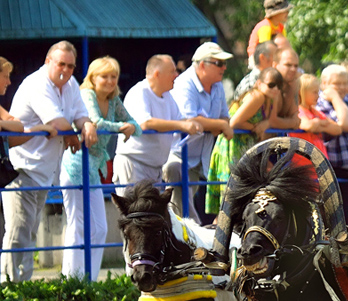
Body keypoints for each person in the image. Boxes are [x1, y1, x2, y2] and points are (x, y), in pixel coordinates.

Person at [3, 41, 98, 282]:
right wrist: (73, 132)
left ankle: (21, 287)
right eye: (60, 64)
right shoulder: (37, 83)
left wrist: (85, 124)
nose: (65, 70)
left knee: (28, 233)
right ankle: (9, 288)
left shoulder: (70, 84)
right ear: (48, 62)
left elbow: (79, 114)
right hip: (21, 168)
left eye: (70, 66)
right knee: (18, 233)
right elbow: (56, 122)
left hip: (43, 170)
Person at [59, 56, 141, 280]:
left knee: (100, 228)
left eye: (113, 76)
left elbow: (135, 124)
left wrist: (129, 126)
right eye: (104, 76)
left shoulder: (114, 100)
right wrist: (122, 127)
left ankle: (89, 280)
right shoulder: (86, 94)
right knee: (78, 226)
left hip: (94, 168)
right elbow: (95, 122)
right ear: (93, 78)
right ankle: (71, 279)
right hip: (76, 165)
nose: (110, 80)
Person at [162, 42, 234, 222]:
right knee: (181, 207)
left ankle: (193, 238)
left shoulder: (216, 85)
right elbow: (190, 121)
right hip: (178, 154)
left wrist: (215, 124)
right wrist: (218, 125)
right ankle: (196, 239)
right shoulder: (184, 84)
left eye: (224, 63)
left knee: (184, 208)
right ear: (203, 64)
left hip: (203, 158)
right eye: (219, 63)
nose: (224, 67)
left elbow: (225, 118)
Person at [113, 55, 203, 193]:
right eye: (172, 72)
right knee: (135, 212)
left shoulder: (167, 96)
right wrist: (182, 126)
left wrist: (194, 123)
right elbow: (145, 123)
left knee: (154, 213)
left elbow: (180, 119)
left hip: (154, 169)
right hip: (134, 165)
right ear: (157, 74)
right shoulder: (140, 92)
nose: (176, 75)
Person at [206, 68, 283, 215]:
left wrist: (264, 125)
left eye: (280, 86)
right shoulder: (257, 96)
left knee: (238, 201)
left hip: (245, 148)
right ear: (259, 83)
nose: (276, 89)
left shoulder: (269, 99)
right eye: (272, 85)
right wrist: (255, 127)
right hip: (232, 146)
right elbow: (233, 122)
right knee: (230, 202)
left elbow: (271, 120)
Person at [317, 64, 348, 224]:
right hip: (333, 170)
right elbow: (347, 124)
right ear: (324, 84)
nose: (343, 87)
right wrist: (336, 98)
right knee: (339, 222)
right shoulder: (321, 103)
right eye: (337, 84)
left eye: (345, 83)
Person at [288, 73, 340, 157]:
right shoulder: (297, 111)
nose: (318, 95)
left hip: (318, 163)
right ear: (302, 92)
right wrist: (320, 122)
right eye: (315, 92)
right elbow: (308, 126)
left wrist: (318, 125)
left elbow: (337, 129)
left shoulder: (315, 112)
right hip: (303, 163)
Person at [247, 0, 292, 67]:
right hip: (257, 60)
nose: (287, 12)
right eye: (285, 10)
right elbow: (265, 50)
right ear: (275, 13)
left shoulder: (281, 27)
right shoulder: (265, 26)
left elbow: (284, 46)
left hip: (273, 57)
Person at [272, 48, 301, 131]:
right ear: (275, 65)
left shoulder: (293, 85)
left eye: (296, 66)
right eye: (288, 65)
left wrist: (292, 122)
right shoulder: (270, 86)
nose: (293, 69)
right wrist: (292, 122)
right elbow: (273, 122)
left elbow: (296, 119)